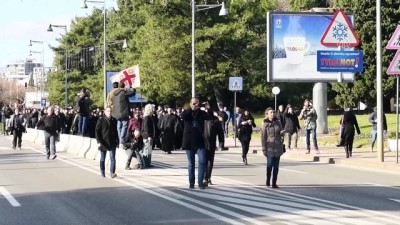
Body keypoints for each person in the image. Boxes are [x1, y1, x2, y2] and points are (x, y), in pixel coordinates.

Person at [181, 98, 211, 189]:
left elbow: (210, 117)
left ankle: (200, 182)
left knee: (202, 161)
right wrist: (191, 110)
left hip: (200, 141)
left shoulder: (202, 113)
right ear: (190, 104)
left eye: (197, 103)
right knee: (191, 163)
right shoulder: (187, 113)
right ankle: (191, 182)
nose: (195, 105)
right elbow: (183, 116)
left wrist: (208, 109)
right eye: (193, 103)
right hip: (189, 141)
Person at [261, 107, 285, 188]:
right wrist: (264, 148)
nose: (272, 114)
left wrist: (282, 132)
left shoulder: (278, 122)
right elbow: (263, 137)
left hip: (278, 146)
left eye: (273, 112)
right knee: (270, 165)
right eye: (271, 112)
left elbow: (281, 131)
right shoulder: (265, 124)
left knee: (276, 166)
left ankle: (274, 183)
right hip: (269, 147)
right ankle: (268, 179)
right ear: (267, 114)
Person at [95, 107, 119, 178]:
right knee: (103, 158)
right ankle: (102, 171)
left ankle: (112, 172)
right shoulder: (101, 120)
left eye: (110, 111)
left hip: (112, 142)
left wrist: (117, 141)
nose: (109, 112)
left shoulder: (114, 120)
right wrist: (99, 141)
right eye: (108, 111)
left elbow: (116, 132)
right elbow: (97, 131)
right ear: (105, 112)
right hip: (103, 142)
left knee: (113, 158)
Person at [111, 82, 136, 147]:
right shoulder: (123, 93)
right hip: (123, 112)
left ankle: (120, 140)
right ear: (123, 86)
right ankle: (122, 140)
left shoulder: (114, 94)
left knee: (119, 126)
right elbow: (132, 93)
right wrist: (131, 88)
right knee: (125, 125)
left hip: (116, 113)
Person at [204, 111, 224, 185]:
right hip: (202, 143)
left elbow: (220, 132)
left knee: (209, 161)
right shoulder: (201, 118)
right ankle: (205, 177)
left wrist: (221, 143)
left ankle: (207, 177)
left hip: (211, 143)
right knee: (203, 161)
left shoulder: (215, 120)